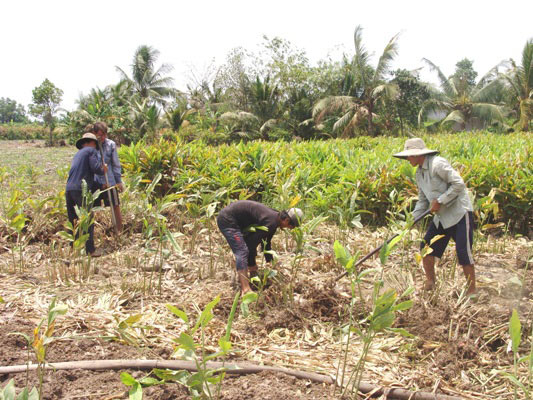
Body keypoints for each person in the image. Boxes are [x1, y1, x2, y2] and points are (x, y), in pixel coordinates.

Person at [393, 138, 476, 295]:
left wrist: (441, 200)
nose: (407, 159)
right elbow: (423, 201)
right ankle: (430, 282)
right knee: (426, 247)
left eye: (409, 156)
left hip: (459, 213)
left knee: (463, 252)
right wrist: (412, 219)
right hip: (441, 218)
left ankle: (472, 291)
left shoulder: (438, 164)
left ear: (418, 155)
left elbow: (459, 184)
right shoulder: (419, 173)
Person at [216, 200, 303, 295]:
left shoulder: (274, 220)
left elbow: (266, 244)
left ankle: (252, 277)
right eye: (291, 226)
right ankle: (245, 289)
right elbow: (250, 244)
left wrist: (271, 264)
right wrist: (253, 265)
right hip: (228, 220)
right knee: (242, 251)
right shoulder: (271, 222)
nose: (289, 229)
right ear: (286, 220)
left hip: (234, 219)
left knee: (246, 250)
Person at [66, 133, 108, 257]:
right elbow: (95, 168)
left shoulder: (78, 155)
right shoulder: (91, 151)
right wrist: (103, 169)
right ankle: (90, 250)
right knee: (88, 218)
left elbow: (84, 175)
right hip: (81, 189)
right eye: (95, 144)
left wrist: (100, 186)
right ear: (92, 143)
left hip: (69, 189)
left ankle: (73, 248)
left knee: (73, 219)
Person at [91, 122, 124, 233]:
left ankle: (119, 231)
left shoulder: (111, 145)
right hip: (95, 181)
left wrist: (118, 181)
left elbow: (116, 164)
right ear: (94, 134)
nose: (103, 138)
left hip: (109, 181)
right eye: (100, 135)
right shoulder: (91, 145)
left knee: (115, 205)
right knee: (92, 208)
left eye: (105, 135)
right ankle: (92, 233)